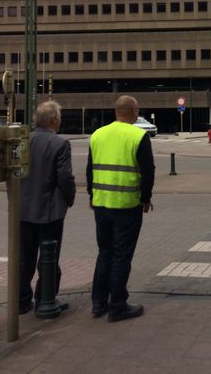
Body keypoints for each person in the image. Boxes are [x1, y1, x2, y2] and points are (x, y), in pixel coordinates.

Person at [87, 95, 155, 322]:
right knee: (121, 255)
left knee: (104, 252)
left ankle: (98, 303)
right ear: (134, 111)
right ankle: (118, 305)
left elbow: (90, 169)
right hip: (127, 205)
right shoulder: (138, 136)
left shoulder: (97, 134)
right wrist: (146, 198)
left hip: (101, 203)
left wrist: (91, 195)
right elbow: (148, 172)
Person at [19, 101, 75, 315]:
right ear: (53, 120)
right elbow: (64, 178)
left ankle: (21, 301)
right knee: (49, 257)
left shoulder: (24, 140)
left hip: (23, 210)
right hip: (50, 211)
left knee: (24, 259)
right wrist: (69, 199)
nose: (60, 121)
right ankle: (45, 299)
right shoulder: (59, 144)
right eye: (59, 117)